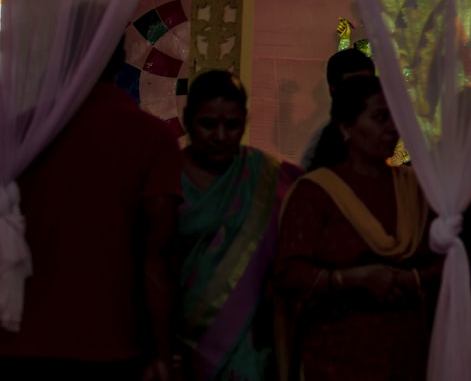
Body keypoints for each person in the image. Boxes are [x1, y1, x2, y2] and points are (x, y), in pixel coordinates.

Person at [0, 39, 182, 381]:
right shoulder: (152, 137)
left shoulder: (22, 131)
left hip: (19, 337)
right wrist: (162, 351)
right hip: (112, 343)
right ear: (121, 60)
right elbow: (159, 253)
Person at [275, 76, 441, 381]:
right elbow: (288, 273)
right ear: (346, 128)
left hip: (405, 352)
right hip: (336, 353)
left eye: (396, 117)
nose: (392, 127)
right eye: (380, 117)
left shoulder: (416, 189)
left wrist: (411, 279)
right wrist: (349, 280)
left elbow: (443, 262)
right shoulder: (315, 192)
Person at [177, 70, 301, 381]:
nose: (220, 136)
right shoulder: (164, 177)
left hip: (252, 349)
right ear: (187, 120)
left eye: (232, 125)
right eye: (208, 124)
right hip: (180, 344)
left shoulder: (272, 178)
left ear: (244, 122)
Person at [300, 45, 375, 170]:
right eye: (353, 88)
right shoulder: (321, 144)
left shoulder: (389, 130)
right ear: (333, 92)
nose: (362, 94)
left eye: (368, 86)